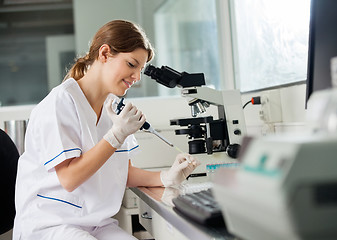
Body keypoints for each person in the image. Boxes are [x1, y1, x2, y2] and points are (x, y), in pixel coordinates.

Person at [13, 19, 200, 240]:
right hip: (51, 223)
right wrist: (116, 135)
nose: (137, 77)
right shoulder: (61, 102)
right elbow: (69, 179)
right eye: (131, 65)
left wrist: (166, 177)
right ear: (104, 54)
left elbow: (122, 172)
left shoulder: (113, 107)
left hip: (96, 224)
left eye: (140, 69)